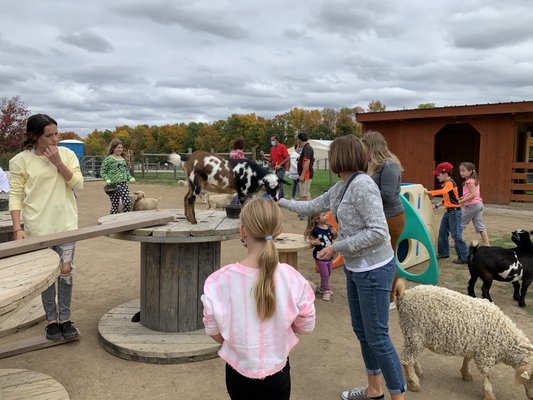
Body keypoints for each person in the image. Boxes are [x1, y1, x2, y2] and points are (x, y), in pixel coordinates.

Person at [279, 135, 406, 400]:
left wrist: (337, 247)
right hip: (357, 269)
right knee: (363, 332)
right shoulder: (343, 186)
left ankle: (397, 397)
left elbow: (379, 233)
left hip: (373, 270)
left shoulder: (363, 186)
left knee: (379, 338)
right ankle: (374, 391)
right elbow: (313, 205)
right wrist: (279, 200)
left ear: (340, 157)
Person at [201, 197, 316, 400]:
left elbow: (213, 331)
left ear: (243, 231)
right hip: (277, 372)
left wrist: (236, 342)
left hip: (237, 372)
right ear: (279, 229)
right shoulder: (293, 279)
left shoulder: (218, 281)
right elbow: (306, 325)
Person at [9, 113, 83, 341]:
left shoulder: (67, 155)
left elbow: (78, 185)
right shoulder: (19, 161)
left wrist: (58, 163)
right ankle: (51, 320)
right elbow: (15, 195)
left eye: (56, 134)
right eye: (48, 135)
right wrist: (17, 228)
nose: (54, 139)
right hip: (37, 228)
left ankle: (65, 319)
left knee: (66, 272)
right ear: (35, 136)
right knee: (46, 276)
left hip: (66, 226)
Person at [362, 131, 405, 309]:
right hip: (382, 216)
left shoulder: (390, 166)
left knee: (387, 257)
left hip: (391, 217)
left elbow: (387, 194)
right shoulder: (379, 166)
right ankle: (380, 292)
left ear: (373, 147)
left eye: (364, 148)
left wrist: (362, 192)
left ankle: (390, 297)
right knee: (378, 256)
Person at [425, 161, 469, 264]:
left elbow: (443, 192)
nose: (437, 177)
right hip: (448, 212)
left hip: (454, 213)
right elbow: (446, 198)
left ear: (445, 174)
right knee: (442, 233)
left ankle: (464, 257)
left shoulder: (450, 183)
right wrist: (437, 205)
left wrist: (429, 192)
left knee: (456, 235)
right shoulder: (446, 184)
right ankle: (443, 252)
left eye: (438, 175)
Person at [305, 212, 338, 301]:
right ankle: (326, 291)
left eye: (326, 214)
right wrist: (313, 242)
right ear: (317, 219)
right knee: (325, 274)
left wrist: (335, 233)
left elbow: (334, 237)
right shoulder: (315, 230)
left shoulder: (329, 227)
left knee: (328, 273)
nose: (327, 216)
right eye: (323, 215)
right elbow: (309, 239)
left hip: (330, 256)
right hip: (320, 256)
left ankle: (323, 288)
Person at [100, 139, 136, 214]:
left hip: (124, 184)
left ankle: (124, 217)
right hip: (113, 186)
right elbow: (102, 172)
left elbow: (126, 171)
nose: (120, 149)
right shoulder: (108, 160)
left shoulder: (123, 159)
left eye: (121, 148)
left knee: (127, 202)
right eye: (118, 147)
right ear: (113, 148)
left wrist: (130, 177)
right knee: (115, 205)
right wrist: (107, 179)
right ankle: (112, 219)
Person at [459, 162, 490, 246]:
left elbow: (473, 195)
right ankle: (487, 244)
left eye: (463, 170)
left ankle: (454, 241)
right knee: (480, 226)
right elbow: (472, 193)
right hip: (478, 204)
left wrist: (461, 201)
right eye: (460, 171)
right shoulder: (473, 180)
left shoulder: (469, 182)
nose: (461, 172)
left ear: (470, 171)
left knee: (460, 223)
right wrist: (463, 197)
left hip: (472, 205)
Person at [296, 132, 314, 200]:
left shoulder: (307, 148)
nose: (297, 141)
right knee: (304, 194)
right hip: (305, 174)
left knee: (305, 194)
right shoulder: (306, 148)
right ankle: (308, 208)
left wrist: (302, 175)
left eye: (298, 139)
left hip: (306, 175)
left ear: (300, 139)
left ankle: (309, 209)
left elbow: (307, 161)